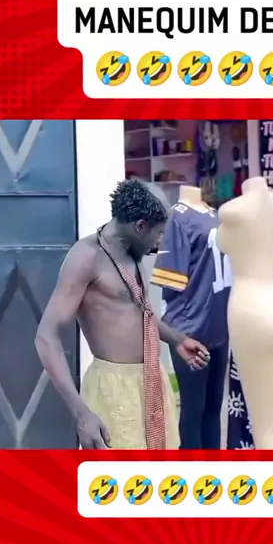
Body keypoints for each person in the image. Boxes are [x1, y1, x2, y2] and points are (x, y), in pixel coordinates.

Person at [35, 179, 210, 450]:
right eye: (159, 233)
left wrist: (176, 339)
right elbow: (46, 337)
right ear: (140, 226)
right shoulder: (86, 257)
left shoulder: (131, 252)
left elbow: (140, 312)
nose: (160, 241)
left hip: (152, 382)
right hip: (113, 393)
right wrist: (81, 413)